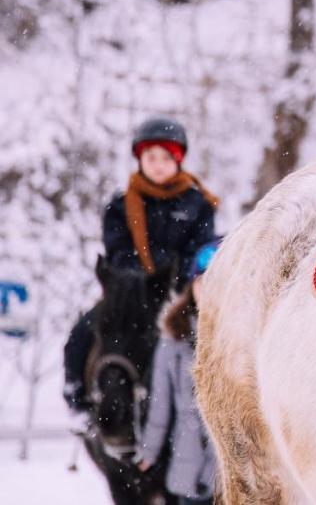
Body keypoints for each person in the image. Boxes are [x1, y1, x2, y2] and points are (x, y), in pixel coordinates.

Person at [63, 116, 219, 411]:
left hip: (179, 295)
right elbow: (117, 251)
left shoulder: (198, 205)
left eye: (165, 157)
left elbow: (199, 251)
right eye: (151, 157)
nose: (158, 164)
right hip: (129, 295)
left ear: (178, 160)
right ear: (139, 159)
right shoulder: (120, 206)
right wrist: (142, 279)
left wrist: (176, 277)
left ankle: (206, 409)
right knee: (81, 333)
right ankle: (78, 402)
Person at [137, 241, 220, 505]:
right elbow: (160, 403)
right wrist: (149, 450)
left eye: (216, 283)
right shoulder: (173, 337)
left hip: (229, 465)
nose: (207, 290)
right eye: (201, 281)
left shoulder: (241, 334)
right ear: (191, 285)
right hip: (188, 461)